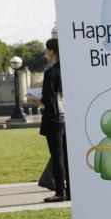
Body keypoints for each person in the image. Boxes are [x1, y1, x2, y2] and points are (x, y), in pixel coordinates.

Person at [39, 38, 70, 202]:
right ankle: (71, 191)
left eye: (47, 50)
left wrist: (36, 100)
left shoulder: (50, 73)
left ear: (52, 51)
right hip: (67, 118)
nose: (46, 54)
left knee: (57, 156)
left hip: (54, 119)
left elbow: (48, 99)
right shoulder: (68, 71)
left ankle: (60, 192)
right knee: (67, 156)